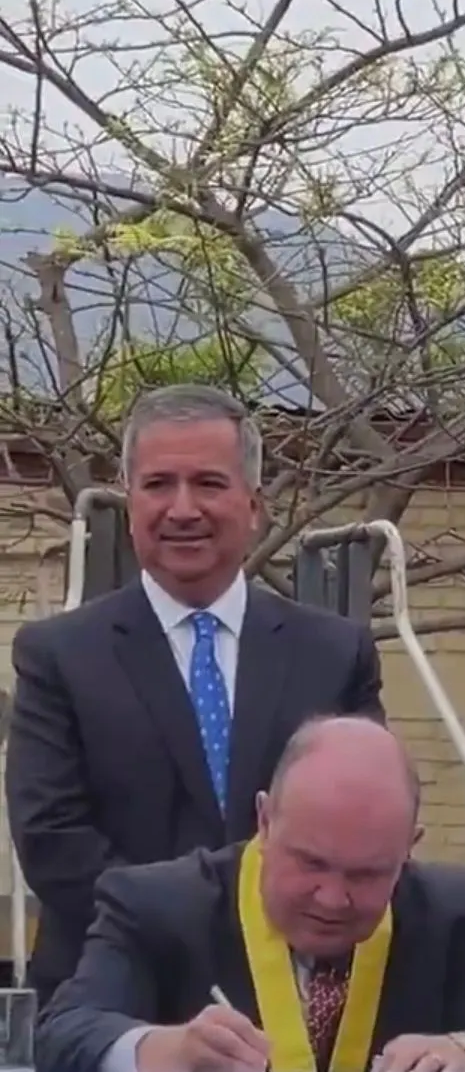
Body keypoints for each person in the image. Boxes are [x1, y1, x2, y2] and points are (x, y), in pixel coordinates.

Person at [5, 384, 384, 1003]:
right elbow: (53, 839)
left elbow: (363, 821)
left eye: (208, 483)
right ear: (130, 503)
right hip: (110, 999)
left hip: (293, 1002)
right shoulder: (58, 656)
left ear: (254, 505)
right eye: (158, 484)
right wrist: (201, 933)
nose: (182, 509)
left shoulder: (336, 654)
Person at [34, 716, 465, 1072]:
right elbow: (63, 1034)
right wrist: (162, 1050)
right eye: (311, 863)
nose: (331, 898)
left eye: (366, 874)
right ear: (264, 820)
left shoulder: (454, 912)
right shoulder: (156, 904)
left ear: (409, 848)